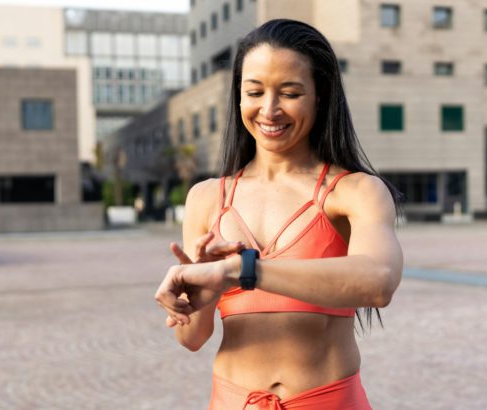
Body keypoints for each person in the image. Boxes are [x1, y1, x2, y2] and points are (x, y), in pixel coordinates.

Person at [155, 19, 403, 409]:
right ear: (238, 97)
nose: (269, 110)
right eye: (254, 92)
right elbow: (191, 339)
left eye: (289, 93)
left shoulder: (355, 191)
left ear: (320, 96)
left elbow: (379, 281)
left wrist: (240, 270)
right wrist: (200, 298)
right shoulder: (206, 198)